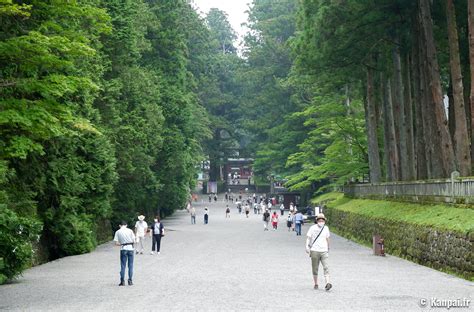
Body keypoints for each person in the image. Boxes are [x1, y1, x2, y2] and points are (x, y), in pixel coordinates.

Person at [306, 214, 332, 291]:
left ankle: (328, 283)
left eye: (322, 220)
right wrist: (307, 246)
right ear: (317, 221)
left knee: (326, 267)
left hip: (324, 250)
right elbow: (308, 237)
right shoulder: (312, 228)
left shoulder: (326, 228)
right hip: (314, 250)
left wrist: (328, 248)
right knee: (315, 268)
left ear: (324, 221)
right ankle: (316, 283)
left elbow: (327, 238)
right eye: (320, 220)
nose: (321, 222)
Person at [114, 220, 135, 286]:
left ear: (120, 225)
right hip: (131, 248)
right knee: (130, 265)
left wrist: (122, 244)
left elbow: (116, 243)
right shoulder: (130, 231)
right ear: (126, 225)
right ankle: (130, 281)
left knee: (123, 266)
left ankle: (122, 281)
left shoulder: (118, 232)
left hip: (123, 249)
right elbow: (134, 240)